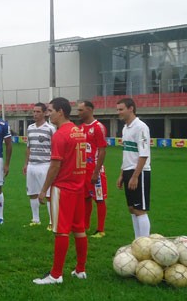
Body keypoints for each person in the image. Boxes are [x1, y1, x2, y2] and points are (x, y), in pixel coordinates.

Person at [33, 97, 88, 285]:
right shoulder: (79, 132)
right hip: (79, 187)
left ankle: (56, 275)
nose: (48, 114)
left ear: (60, 112)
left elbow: (55, 166)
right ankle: (80, 269)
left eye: (50, 110)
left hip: (63, 188)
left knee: (61, 231)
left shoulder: (60, 134)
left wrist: (43, 190)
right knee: (79, 229)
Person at [115, 98, 151, 239]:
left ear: (131, 109)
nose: (119, 112)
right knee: (131, 208)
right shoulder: (125, 128)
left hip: (140, 172)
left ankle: (145, 243)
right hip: (128, 171)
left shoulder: (141, 127)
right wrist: (122, 174)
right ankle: (137, 242)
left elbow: (143, 154)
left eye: (121, 109)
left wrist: (136, 176)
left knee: (139, 209)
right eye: (117, 109)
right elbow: (127, 154)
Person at [77, 101, 108, 238]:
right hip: (83, 170)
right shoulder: (81, 127)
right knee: (85, 198)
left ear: (89, 110)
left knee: (99, 199)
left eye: (81, 110)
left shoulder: (98, 127)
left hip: (95, 170)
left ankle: (100, 230)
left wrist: (96, 171)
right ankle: (85, 225)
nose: (79, 113)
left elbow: (102, 150)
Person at [22, 103, 55, 229]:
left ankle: (52, 222)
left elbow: (55, 147)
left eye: (38, 112)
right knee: (32, 192)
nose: (35, 114)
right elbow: (28, 147)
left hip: (45, 165)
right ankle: (35, 219)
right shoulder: (30, 128)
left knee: (47, 194)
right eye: (34, 112)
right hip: (32, 165)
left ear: (45, 113)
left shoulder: (50, 129)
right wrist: (26, 163)